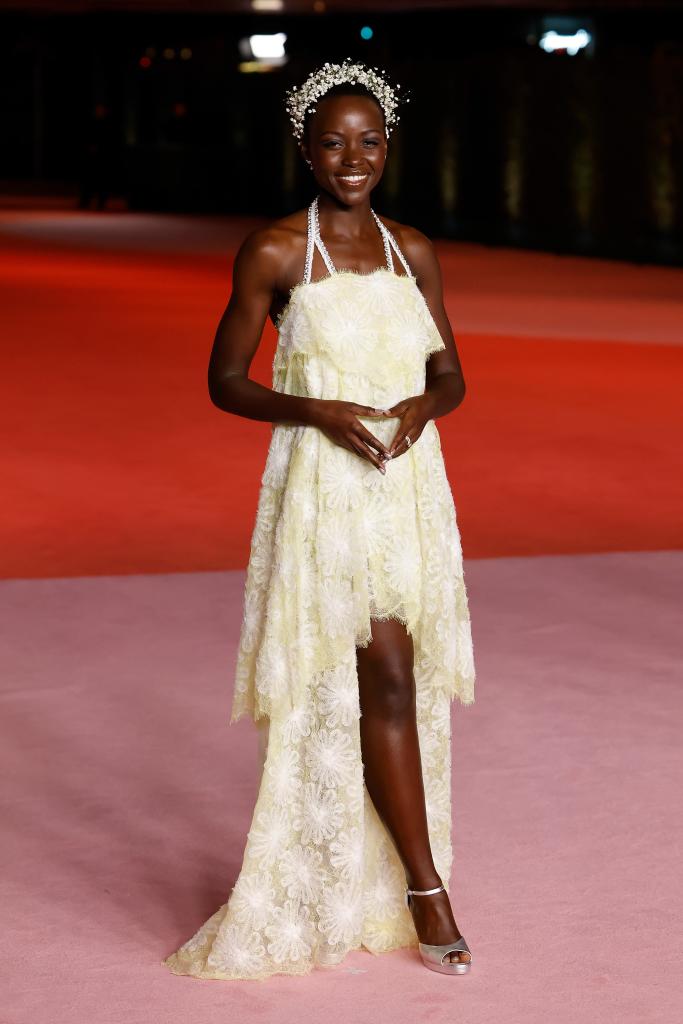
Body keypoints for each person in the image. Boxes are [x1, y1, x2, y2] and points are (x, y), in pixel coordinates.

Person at [163, 59, 475, 982]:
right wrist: (321, 412)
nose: (352, 158)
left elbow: (450, 371)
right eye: (333, 141)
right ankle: (426, 891)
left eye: (369, 141)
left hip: (407, 487)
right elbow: (225, 381)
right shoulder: (271, 251)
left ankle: (402, 881)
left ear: (388, 148)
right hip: (323, 484)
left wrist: (423, 409)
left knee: (393, 678)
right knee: (374, 675)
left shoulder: (410, 247)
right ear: (303, 146)